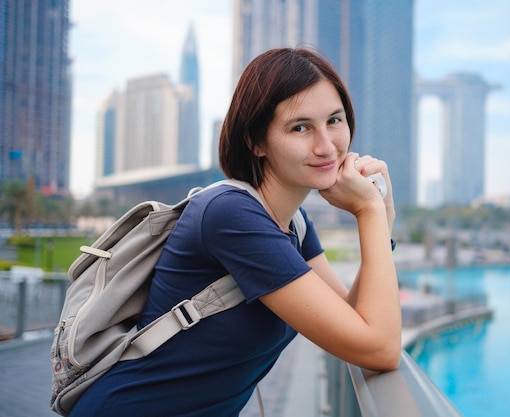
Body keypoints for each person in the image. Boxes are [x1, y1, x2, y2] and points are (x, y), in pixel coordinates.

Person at [70, 47, 401, 417]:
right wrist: (368, 209)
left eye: (335, 121)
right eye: (300, 127)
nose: (326, 146)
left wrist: (381, 220)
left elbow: (351, 316)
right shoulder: (231, 215)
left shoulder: (295, 224)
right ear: (256, 142)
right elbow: (380, 349)